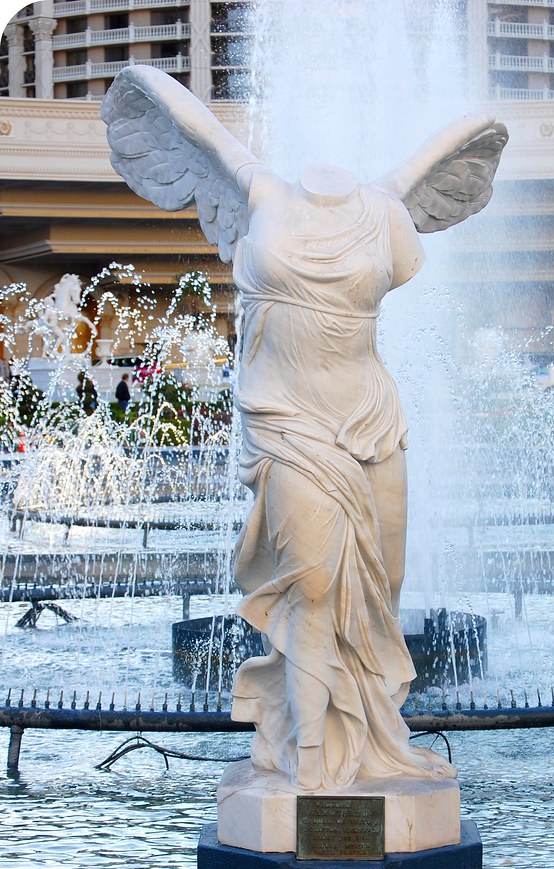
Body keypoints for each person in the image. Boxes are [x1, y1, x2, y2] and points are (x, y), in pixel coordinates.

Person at [102, 65, 507, 789]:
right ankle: (311, 756)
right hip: (287, 418)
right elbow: (184, 118)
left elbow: (469, 142)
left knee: (383, 585)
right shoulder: (261, 192)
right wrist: (142, 79)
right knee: (313, 585)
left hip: (371, 418)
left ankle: (374, 737)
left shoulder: (383, 210)